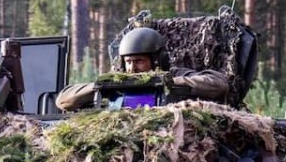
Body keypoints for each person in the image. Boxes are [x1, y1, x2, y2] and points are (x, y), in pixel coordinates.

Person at [55, 26, 230, 111]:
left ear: (156, 60)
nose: (132, 68)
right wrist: (101, 87)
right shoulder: (116, 82)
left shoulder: (173, 75)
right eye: (129, 62)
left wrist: (167, 83)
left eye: (139, 61)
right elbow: (62, 101)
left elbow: (219, 84)